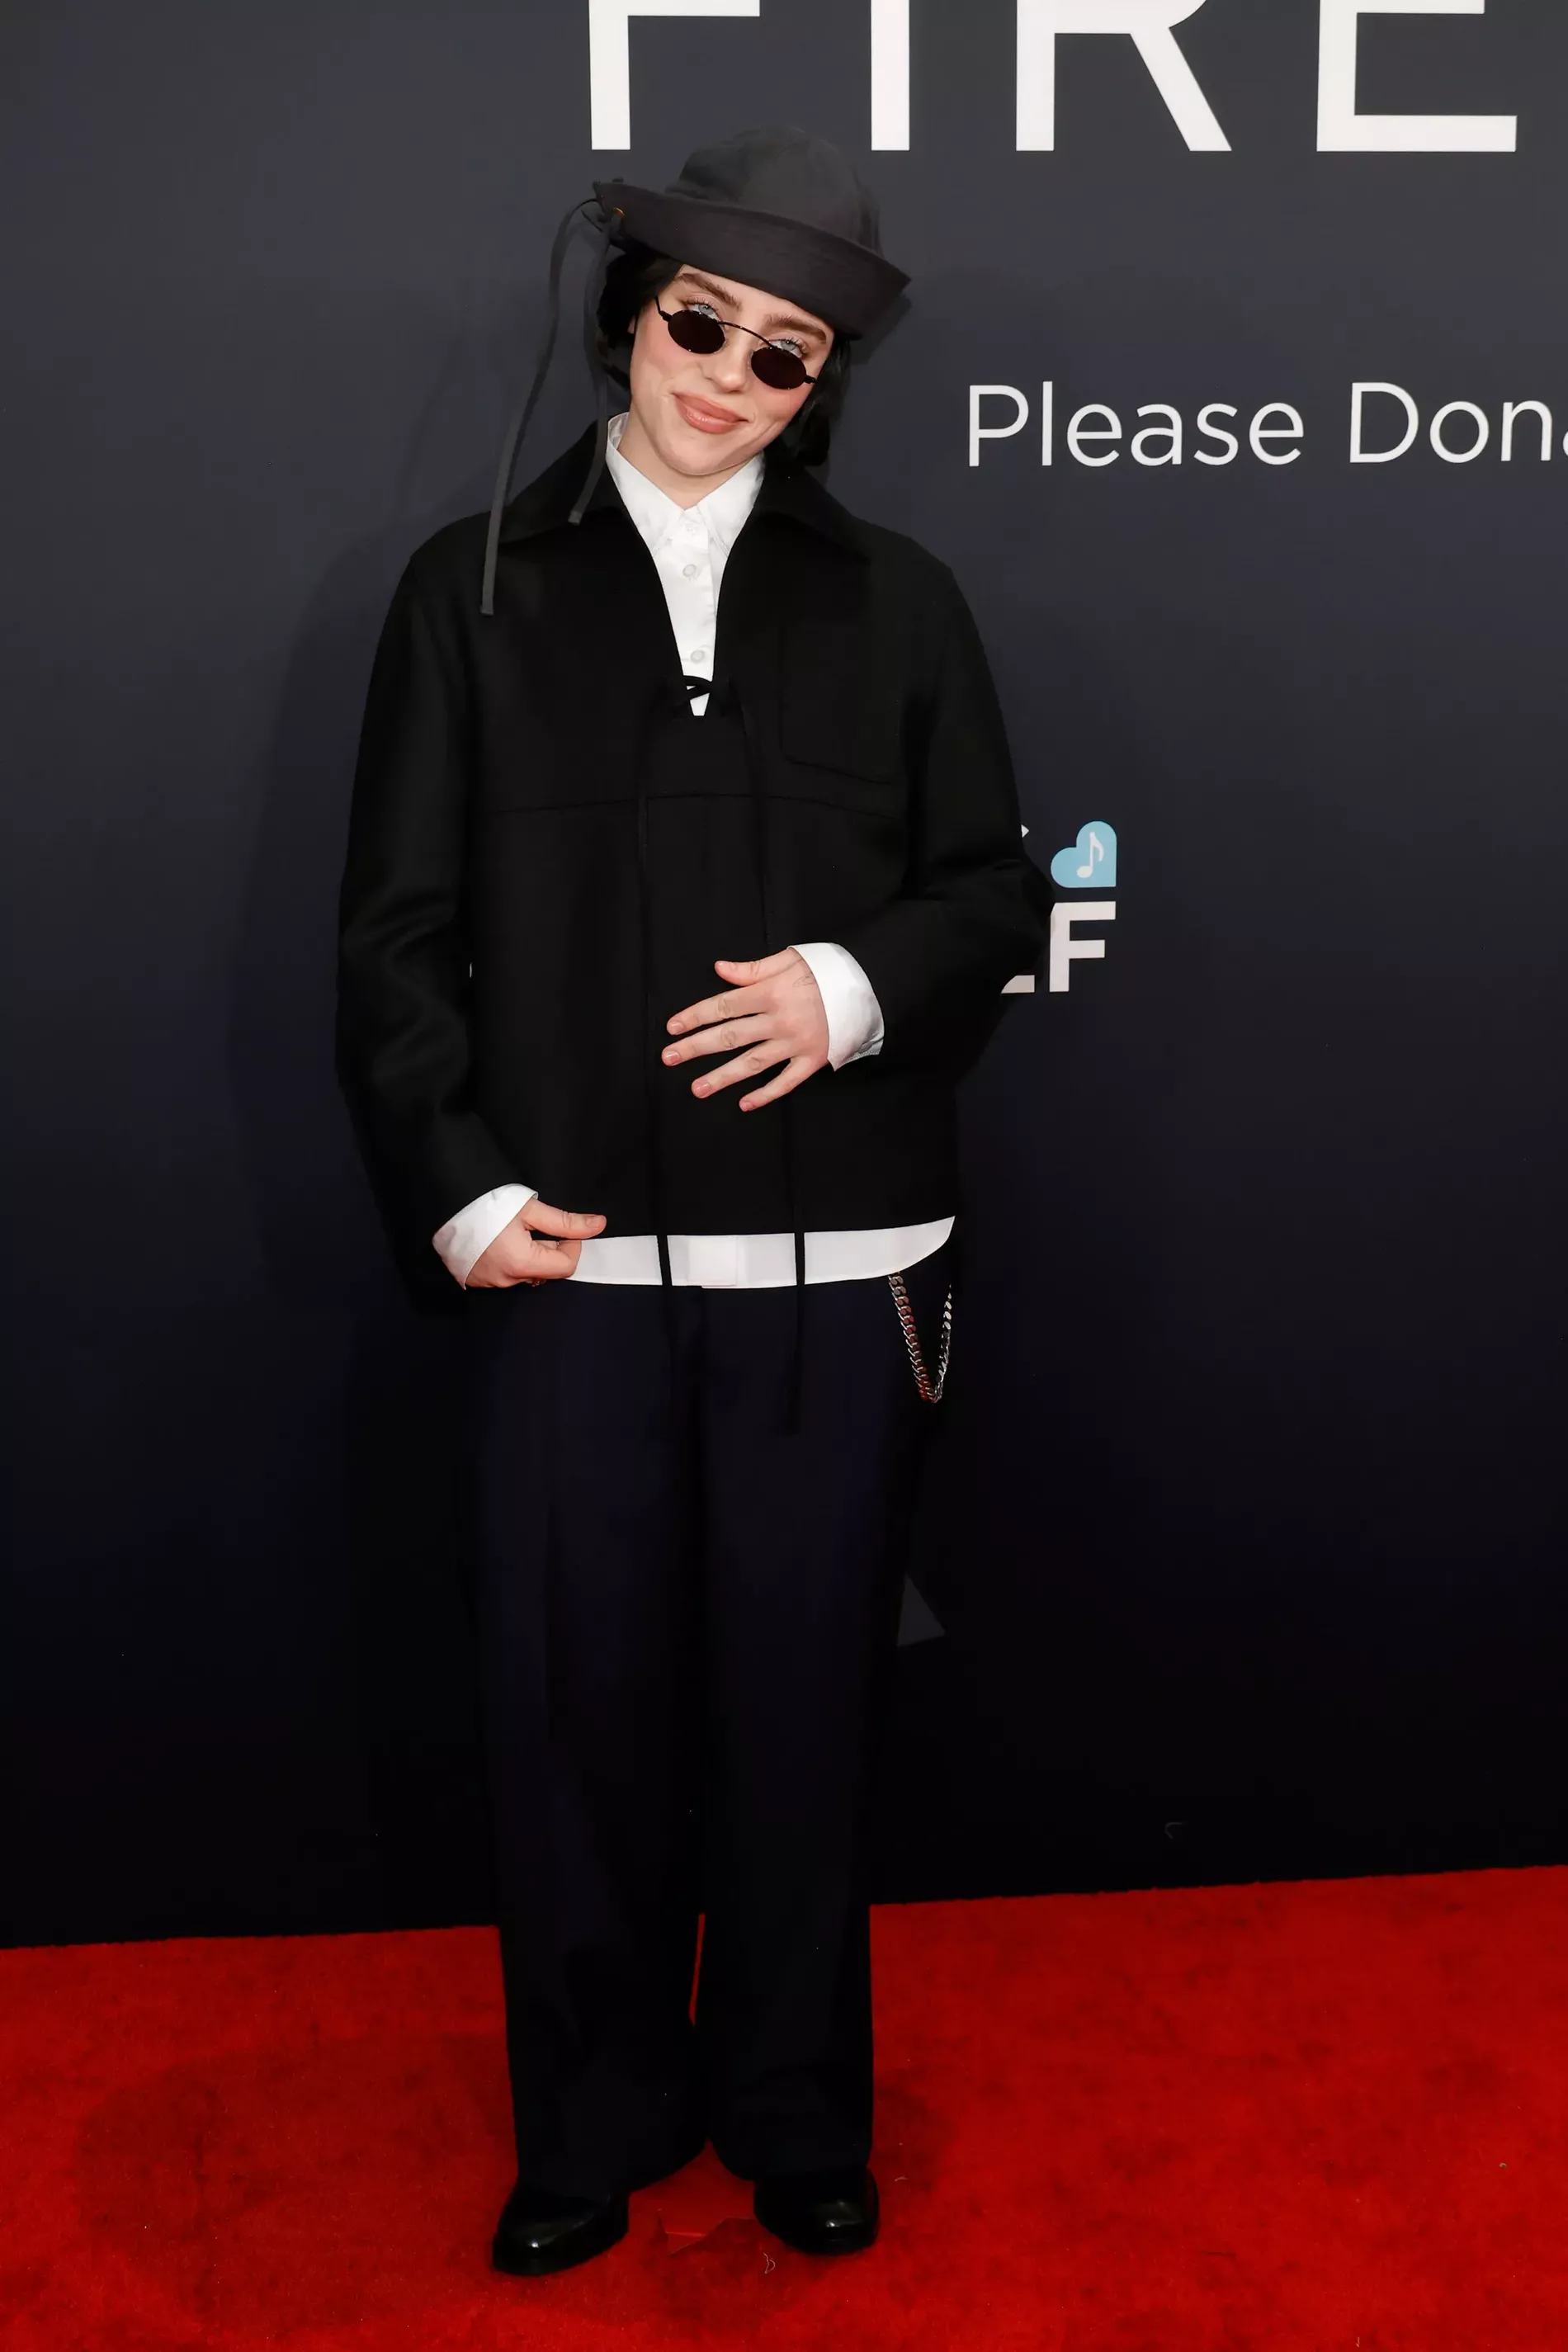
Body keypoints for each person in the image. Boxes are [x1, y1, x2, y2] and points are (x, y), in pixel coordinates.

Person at [337, 125, 1050, 2275]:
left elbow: (989, 890)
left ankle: (793, 2112)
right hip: (568, 1263)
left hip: (843, 1268)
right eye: (701, 325)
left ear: (825, 381)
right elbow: (392, 935)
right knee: (573, 1722)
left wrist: (853, 988)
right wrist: (457, 1183)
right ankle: (591, 2125)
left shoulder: (901, 600)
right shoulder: (469, 586)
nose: (729, 375)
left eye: (783, 352)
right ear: (627, 315)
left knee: (806, 1717)